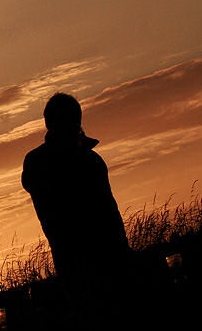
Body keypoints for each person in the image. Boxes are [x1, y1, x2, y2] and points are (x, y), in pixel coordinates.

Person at [21, 92, 132, 292]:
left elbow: (110, 211)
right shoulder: (38, 163)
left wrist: (122, 250)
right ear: (49, 124)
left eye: (70, 120)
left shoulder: (91, 160)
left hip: (107, 257)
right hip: (75, 264)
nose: (68, 126)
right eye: (62, 120)